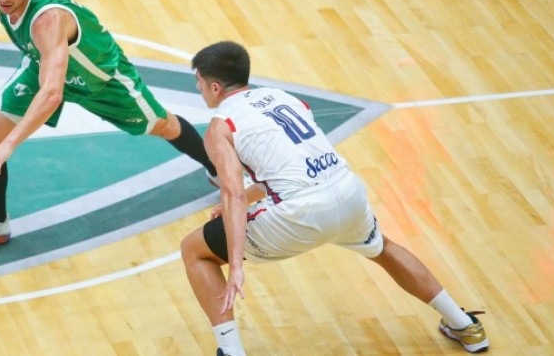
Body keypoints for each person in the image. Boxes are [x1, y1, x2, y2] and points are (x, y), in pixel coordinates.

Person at [181, 41, 489, 355]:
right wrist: (249, 196)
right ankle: (464, 324)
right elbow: (290, 164)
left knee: (195, 250)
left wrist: (235, 265)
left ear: (215, 87)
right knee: (382, 247)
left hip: (299, 215)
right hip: (347, 192)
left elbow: (231, 195)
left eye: (200, 83)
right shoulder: (286, 99)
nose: (198, 88)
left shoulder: (221, 126)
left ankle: (231, 351)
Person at [0, 0, 216, 249]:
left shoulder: (48, 21)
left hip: (100, 78)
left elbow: (51, 95)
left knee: (163, 125)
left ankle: (218, 169)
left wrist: (9, 145)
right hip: (43, 63)